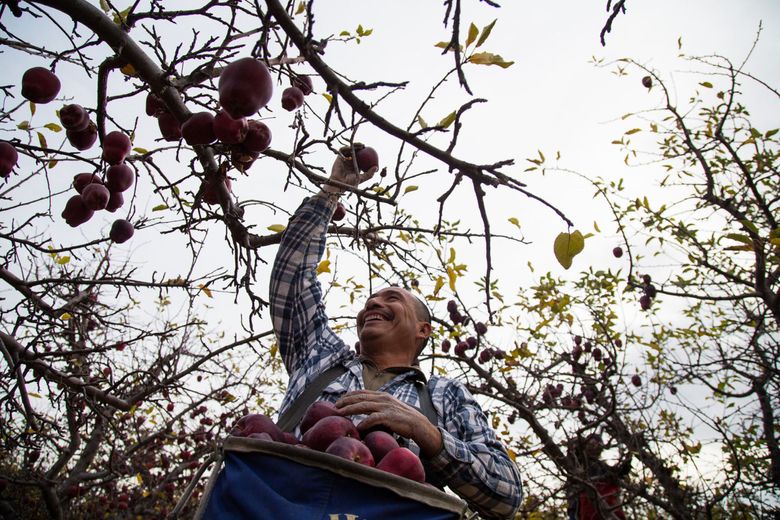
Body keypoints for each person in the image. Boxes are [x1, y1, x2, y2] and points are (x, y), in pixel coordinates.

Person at [269, 149, 523, 519]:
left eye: (391, 298)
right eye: (369, 300)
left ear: (423, 329)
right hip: (278, 505)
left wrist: (429, 435)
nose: (372, 303)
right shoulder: (322, 355)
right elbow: (291, 279)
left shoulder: (443, 396)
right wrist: (333, 189)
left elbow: (507, 494)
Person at [565, 433, 631, 520]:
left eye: (599, 445)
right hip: (578, 505)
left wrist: (624, 468)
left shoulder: (602, 465)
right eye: (592, 444)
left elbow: (615, 475)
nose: (596, 447)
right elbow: (572, 452)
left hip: (601, 507)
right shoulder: (579, 460)